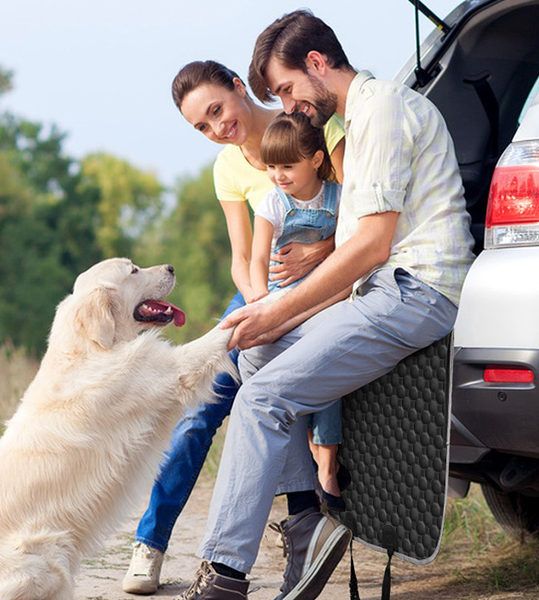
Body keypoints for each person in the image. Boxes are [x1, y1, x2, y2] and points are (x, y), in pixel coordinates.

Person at [178, 10, 475, 600]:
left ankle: (223, 577)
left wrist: (280, 310)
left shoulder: (383, 109)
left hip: (416, 291)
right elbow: (355, 250)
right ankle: (309, 522)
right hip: (378, 291)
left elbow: (371, 245)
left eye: (287, 89)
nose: (288, 106)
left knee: (260, 399)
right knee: (255, 356)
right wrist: (276, 316)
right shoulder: (356, 121)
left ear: (316, 64)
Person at [121, 60, 346, 595]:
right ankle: (150, 542)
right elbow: (242, 257)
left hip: (327, 284)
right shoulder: (228, 167)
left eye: (217, 110)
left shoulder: (312, 130)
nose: (217, 127)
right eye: (202, 126)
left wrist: (319, 253)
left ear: (240, 88)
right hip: (260, 292)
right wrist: (260, 303)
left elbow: (361, 219)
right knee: (202, 405)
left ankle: (303, 527)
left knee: (282, 385)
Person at [250, 111, 349, 512]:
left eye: (288, 166)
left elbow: (352, 243)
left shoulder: (340, 197)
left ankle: (326, 461)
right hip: (284, 297)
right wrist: (260, 300)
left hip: (328, 296)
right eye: (272, 167)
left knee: (325, 360)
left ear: (316, 160)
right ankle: (309, 454)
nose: (278, 175)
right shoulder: (273, 203)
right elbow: (258, 259)